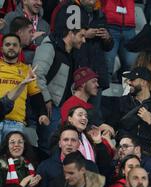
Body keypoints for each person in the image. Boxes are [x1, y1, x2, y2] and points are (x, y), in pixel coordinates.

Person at [33, 23, 87, 155]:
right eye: (81, 36)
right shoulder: (49, 47)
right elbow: (37, 75)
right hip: (48, 106)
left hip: (61, 106)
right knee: (48, 146)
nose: (84, 40)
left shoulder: (72, 53)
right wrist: (46, 100)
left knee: (55, 147)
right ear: (71, 33)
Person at [53, 0, 113, 115]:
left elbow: (109, 46)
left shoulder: (99, 14)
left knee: (92, 114)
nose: (93, 1)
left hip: (96, 71)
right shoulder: (69, 9)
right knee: (72, 112)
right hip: (77, 70)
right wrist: (86, 34)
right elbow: (61, 35)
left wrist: (107, 37)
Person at [35, 125, 99, 187]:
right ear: (60, 143)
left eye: (73, 140)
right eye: (65, 140)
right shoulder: (45, 166)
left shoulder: (90, 167)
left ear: (78, 144)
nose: (69, 144)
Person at [107, 67, 151, 155]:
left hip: (144, 153)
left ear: (144, 82)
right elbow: (110, 126)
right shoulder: (121, 102)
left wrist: (150, 121)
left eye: (132, 80)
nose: (129, 82)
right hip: (123, 152)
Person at [0, 33, 49, 141]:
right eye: (7, 45)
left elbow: (36, 94)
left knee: (11, 158)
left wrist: (42, 113)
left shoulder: (27, 70)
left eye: (14, 45)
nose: (11, 47)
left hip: (16, 123)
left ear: (20, 48)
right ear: (2, 48)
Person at [100, 0, 137, 82]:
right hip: (110, 25)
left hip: (129, 27)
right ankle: (105, 92)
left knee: (130, 66)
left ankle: (126, 93)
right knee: (108, 65)